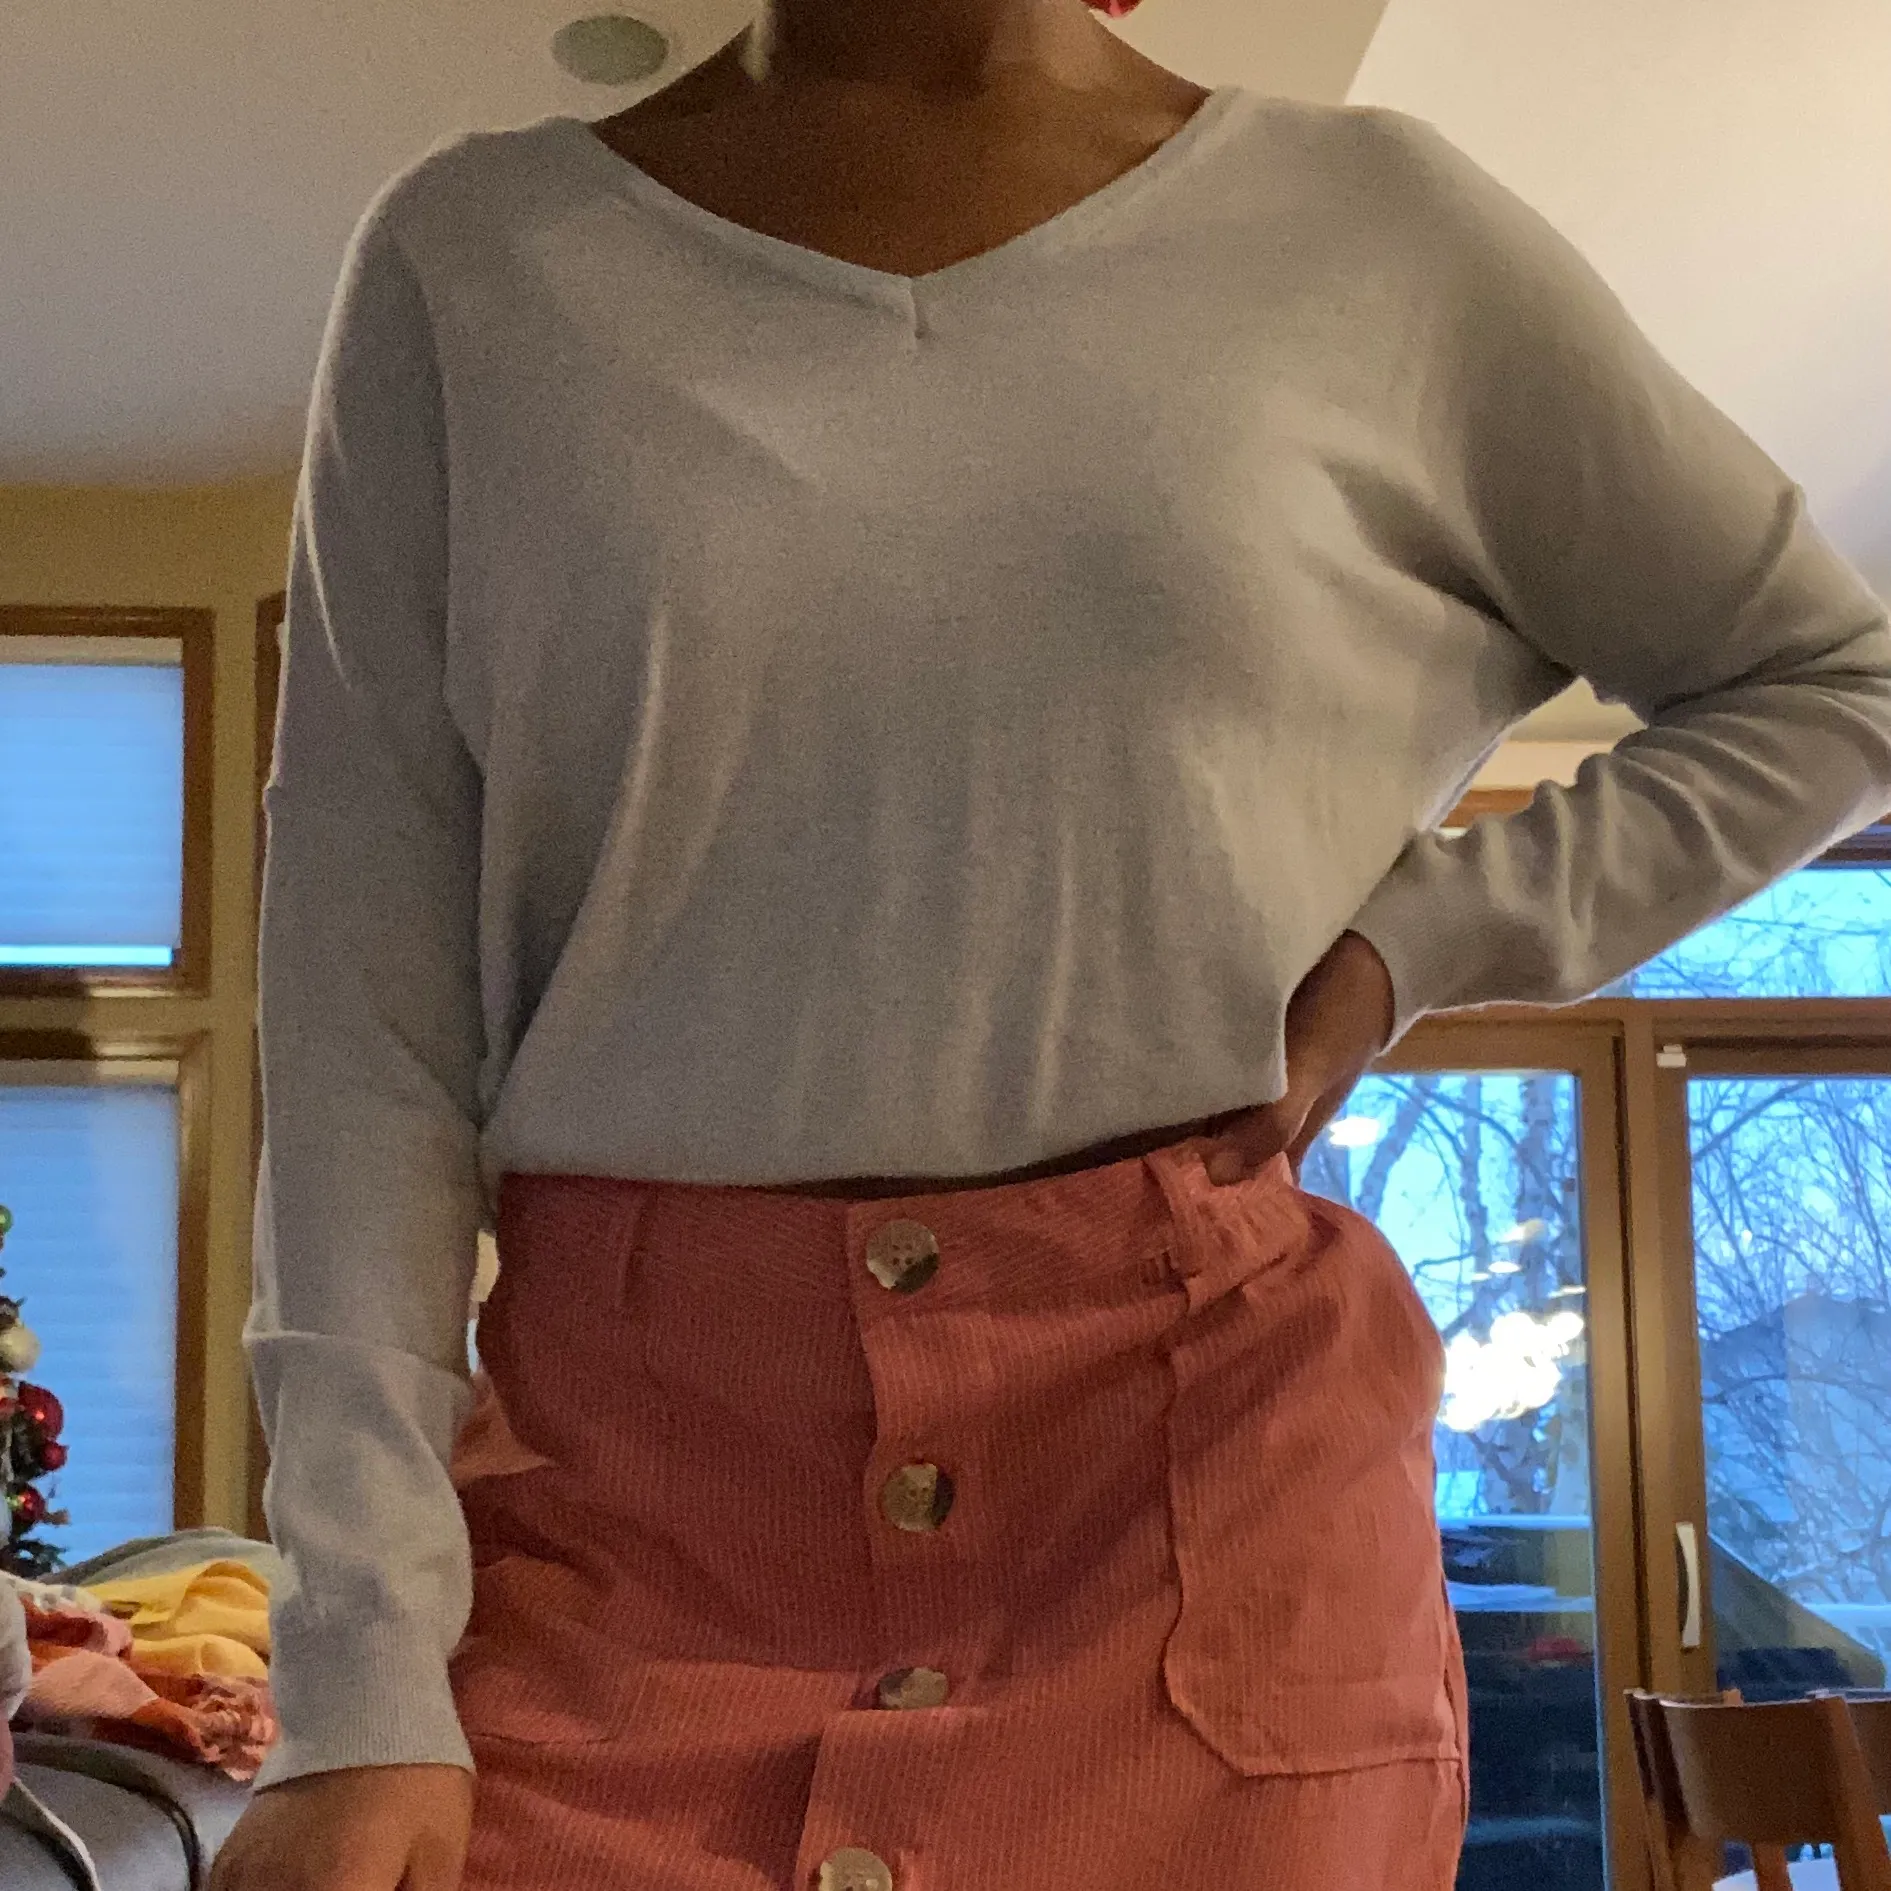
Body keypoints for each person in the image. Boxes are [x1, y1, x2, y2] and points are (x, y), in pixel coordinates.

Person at [212, 0, 1891, 1885]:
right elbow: (363, 1022)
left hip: (1201, 1524)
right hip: (621, 1542)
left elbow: (1829, 680)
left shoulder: (1378, 231)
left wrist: (1419, 937)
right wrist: (360, 1673)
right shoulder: (470, 267)